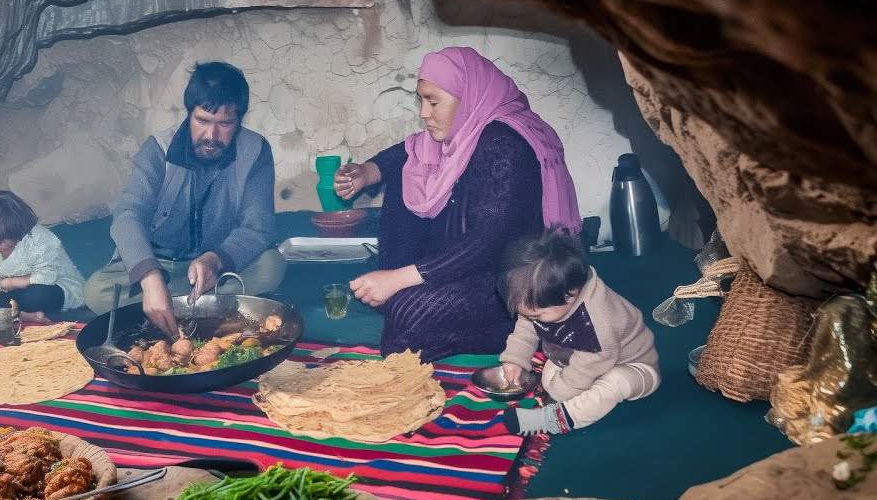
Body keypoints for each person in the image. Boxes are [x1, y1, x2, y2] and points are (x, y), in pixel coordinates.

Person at [333, 45, 582, 362]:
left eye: (433, 101)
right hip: (468, 264)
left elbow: (487, 243)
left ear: (469, 96)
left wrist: (399, 279)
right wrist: (365, 172)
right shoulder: (466, 131)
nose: (424, 113)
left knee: (407, 314)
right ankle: (411, 286)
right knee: (411, 166)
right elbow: (403, 154)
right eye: (421, 100)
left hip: (511, 276)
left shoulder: (503, 142)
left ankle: (519, 327)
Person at [84, 61, 286, 337]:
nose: (211, 135)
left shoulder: (256, 150)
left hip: (217, 268)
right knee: (97, 291)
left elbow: (258, 227)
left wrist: (214, 260)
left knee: (271, 266)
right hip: (162, 265)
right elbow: (128, 215)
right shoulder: (158, 148)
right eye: (202, 121)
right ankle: (194, 306)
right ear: (189, 114)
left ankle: (172, 307)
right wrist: (150, 278)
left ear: (239, 122)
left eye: (224, 124)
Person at [496, 229, 660, 434]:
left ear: (571, 295)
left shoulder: (599, 321)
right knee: (550, 378)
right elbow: (526, 326)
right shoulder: (549, 302)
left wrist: (560, 392)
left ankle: (553, 420)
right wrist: (515, 358)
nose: (532, 319)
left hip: (633, 367)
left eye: (538, 316)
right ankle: (575, 397)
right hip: (579, 359)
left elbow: (592, 362)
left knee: (614, 383)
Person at [0, 190, 85, 322]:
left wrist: (8, 283)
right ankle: (26, 316)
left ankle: (13, 313)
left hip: (54, 287)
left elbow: (45, 278)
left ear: (17, 230)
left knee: (38, 296)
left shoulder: (40, 239)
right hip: (12, 294)